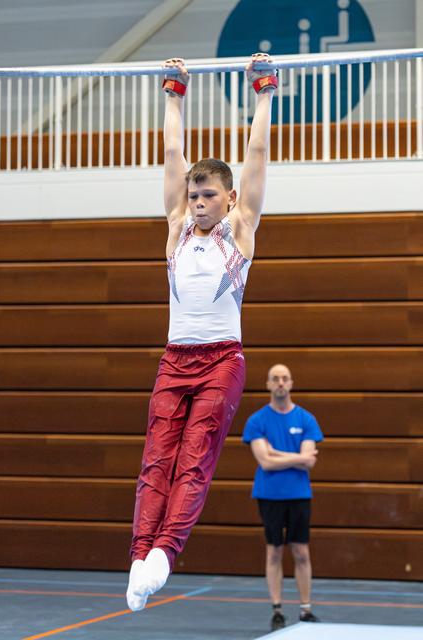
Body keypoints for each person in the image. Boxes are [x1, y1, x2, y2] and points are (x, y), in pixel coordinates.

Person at [126, 52, 277, 612]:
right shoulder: (176, 228)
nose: (197, 203)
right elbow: (172, 155)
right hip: (174, 358)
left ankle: (165, 549)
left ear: (230, 199)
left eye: (208, 195)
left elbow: (255, 155)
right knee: (155, 459)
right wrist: (174, 93)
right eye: (193, 195)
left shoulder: (240, 230)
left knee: (194, 457)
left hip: (221, 360)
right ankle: (141, 553)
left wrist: (263, 93)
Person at [242, 363, 324, 630]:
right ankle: (277, 608)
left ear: (291, 383)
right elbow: (265, 462)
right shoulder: (256, 421)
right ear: (268, 384)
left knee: (301, 551)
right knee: (274, 550)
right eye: (275, 378)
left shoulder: (306, 419)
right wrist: (299, 457)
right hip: (269, 494)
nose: (280, 383)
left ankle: (305, 608)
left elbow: (308, 464)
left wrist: (277, 453)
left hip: (299, 494)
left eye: (284, 378)